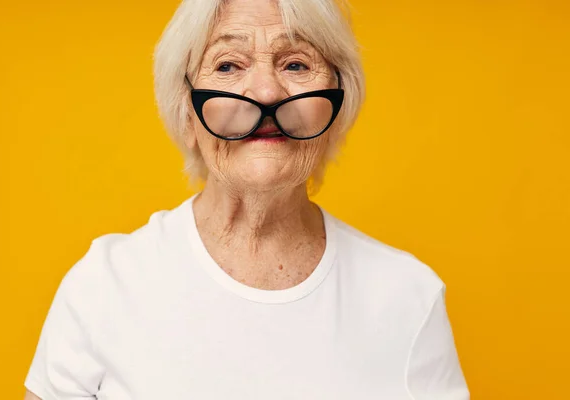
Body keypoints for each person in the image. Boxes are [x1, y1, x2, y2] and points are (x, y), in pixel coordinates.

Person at [24, 0, 470, 398]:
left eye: (296, 65)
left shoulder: (409, 297)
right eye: (228, 65)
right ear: (186, 112)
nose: (266, 92)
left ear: (338, 103)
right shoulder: (103, 286)